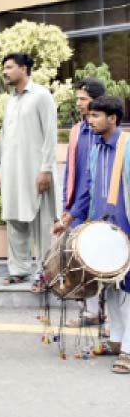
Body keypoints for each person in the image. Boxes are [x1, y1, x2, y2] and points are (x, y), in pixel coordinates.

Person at [52, 96, 130, 374]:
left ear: (113, 118)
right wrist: (68, 219)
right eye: (90, 115)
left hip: (126, 228)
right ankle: (117, 340)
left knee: (129, 290)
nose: (90, 120)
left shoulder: (128, 146)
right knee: (109, 286)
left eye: (96, 115)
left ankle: (129, 350)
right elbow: (86, 189)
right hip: (102, 228)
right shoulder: (96, 148)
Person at [0, 53, 60, 291]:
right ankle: (19, 270)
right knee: (13, 220)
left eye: (10, 67)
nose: (5, 72)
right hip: (11, 171)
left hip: (35, 171)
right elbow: (4, 137)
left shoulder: (41, 96)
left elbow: (50, 136)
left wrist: (46, 170)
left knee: (41, 224)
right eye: (4, 68)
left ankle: (45, 274)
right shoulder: (11, 100)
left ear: (24, 69)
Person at [59, 77, 105, 327]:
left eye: (83, 99)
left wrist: (76, 209)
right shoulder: (78, 130)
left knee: (97, 259)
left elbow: (92, 176)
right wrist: (67, 207)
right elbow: (71, 172)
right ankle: (90, 311)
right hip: (76, 207)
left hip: (95, 207)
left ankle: (101, 314)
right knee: (80, 260)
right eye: (77, 99)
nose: (78, 103)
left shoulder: (102, 133)